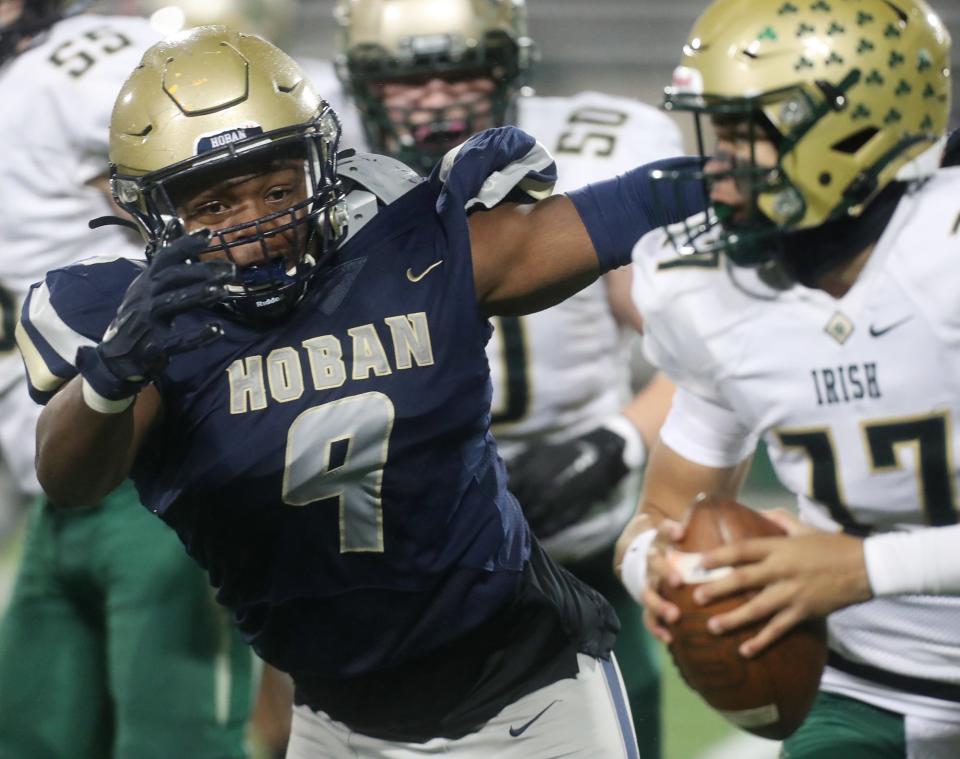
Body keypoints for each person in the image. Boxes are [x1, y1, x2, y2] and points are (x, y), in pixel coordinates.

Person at [17, 24, 705, 759]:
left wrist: (735, 177)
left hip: (526, 694)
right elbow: (70, 478)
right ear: (151, 213)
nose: (256, 226)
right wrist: (109, 373)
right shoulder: (151, 330)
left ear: (321, 165)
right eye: (215, 206)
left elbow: (617, 214)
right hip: (336, 719)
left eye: (278, 188)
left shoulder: (408, 256)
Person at [333, 1, 681, 755]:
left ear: (506, 68)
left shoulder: (594, 148)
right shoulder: (321, 182)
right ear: (362, 85)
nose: (436, 97)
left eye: (459, 69)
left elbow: (702, 352)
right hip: (404, 545)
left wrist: (618, 440)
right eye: (405, 79)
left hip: (575, 529)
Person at [614, 0, 959, 757]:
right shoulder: (705, 288)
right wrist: (660, 572)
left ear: (852, 125)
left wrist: (868, 567)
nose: (715, 163)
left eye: (743, 133)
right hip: (864, 689)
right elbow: (663, 509)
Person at [0, 3, 255, 757]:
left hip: (154, 473)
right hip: (60, 472)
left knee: (174, 743)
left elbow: (218, 171)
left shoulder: (81, 59)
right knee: (32, 734)